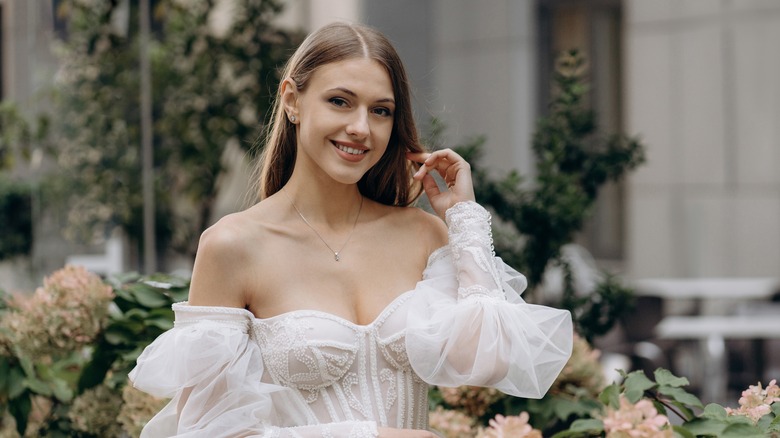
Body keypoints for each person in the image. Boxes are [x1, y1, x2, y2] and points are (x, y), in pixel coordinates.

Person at [129, 21, 573, 437]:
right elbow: (207, 430)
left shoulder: (422, 235)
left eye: (380, 111)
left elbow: (491, 360)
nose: (361, 128)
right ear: (292, 100)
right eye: (339, 101)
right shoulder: (234, 245)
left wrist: (465, 220)